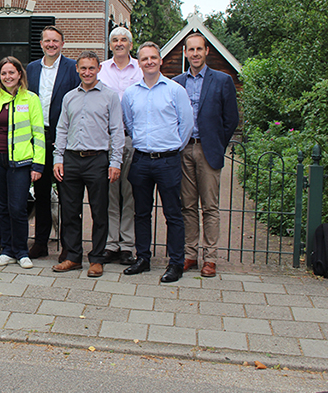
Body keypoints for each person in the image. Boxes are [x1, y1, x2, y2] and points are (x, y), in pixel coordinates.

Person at [121, 42, 194, 283]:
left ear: (160, 61)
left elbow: (186, 126)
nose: (149, 62)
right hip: (141, 160)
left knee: (173, 213)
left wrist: (172, 147)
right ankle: (143, 258)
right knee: (141, 212)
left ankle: (176, 263)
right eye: (144, 59)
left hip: (167, 160)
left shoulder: (175, 90)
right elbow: (129, 124)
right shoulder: (131, 93)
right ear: (139, 63)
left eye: (153, 57)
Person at [52, 51, 124, 277]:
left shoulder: (110, 96)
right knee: (70, 211)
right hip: (71, 159)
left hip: (97, 160)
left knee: (99, 211)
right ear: (77, 69)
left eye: (91, 68)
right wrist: (58, 158)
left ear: (99, 69)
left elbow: (117, 131)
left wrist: (115, 161)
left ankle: (97, 258)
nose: (87, 72)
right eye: (83, 68)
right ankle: (73, 256)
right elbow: (61, 129)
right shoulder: (69, 97)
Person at [173, 33, 239, 278]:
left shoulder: (222, 80)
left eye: (199, 49)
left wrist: (217, 144)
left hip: (208, 149)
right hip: (184, 149)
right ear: (185, 53)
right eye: (191, 50)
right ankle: (190, 254)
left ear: (206, 51)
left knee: (209, 207)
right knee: (187, 206)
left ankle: (210, 258)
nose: (195, 54)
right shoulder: (177, 81)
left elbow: (231, 118)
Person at [0, 56, 45, 269]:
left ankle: (22, 251)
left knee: (18, 208)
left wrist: (38, 164)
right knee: (1, 208)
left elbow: (38, 133)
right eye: (3, 73)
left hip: (21, 162)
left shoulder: (31, 99)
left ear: (20, 74)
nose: (8, 77)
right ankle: (7, 250)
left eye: (11, 72)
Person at [25, 25, 80, 261]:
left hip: (63, 138)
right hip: (38, 137)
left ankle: (69, 246)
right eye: (47, 41)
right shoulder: (31, 69)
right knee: (41, 193)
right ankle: (40, 243)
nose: (51, 44)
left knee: (67, 194)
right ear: (41, 44)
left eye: (55, 41)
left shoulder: (72, 68)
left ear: (62, 44)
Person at [98, 26, 143, 266]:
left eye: (124, 39)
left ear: (130, 44)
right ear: (110, 44)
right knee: (109, 195)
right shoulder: (101, 70)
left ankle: (127, 246)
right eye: (115, 40)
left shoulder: (140, 69)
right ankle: (110, 244)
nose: (119, 43)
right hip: (105, 140)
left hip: (132, 139)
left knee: (129, 195)